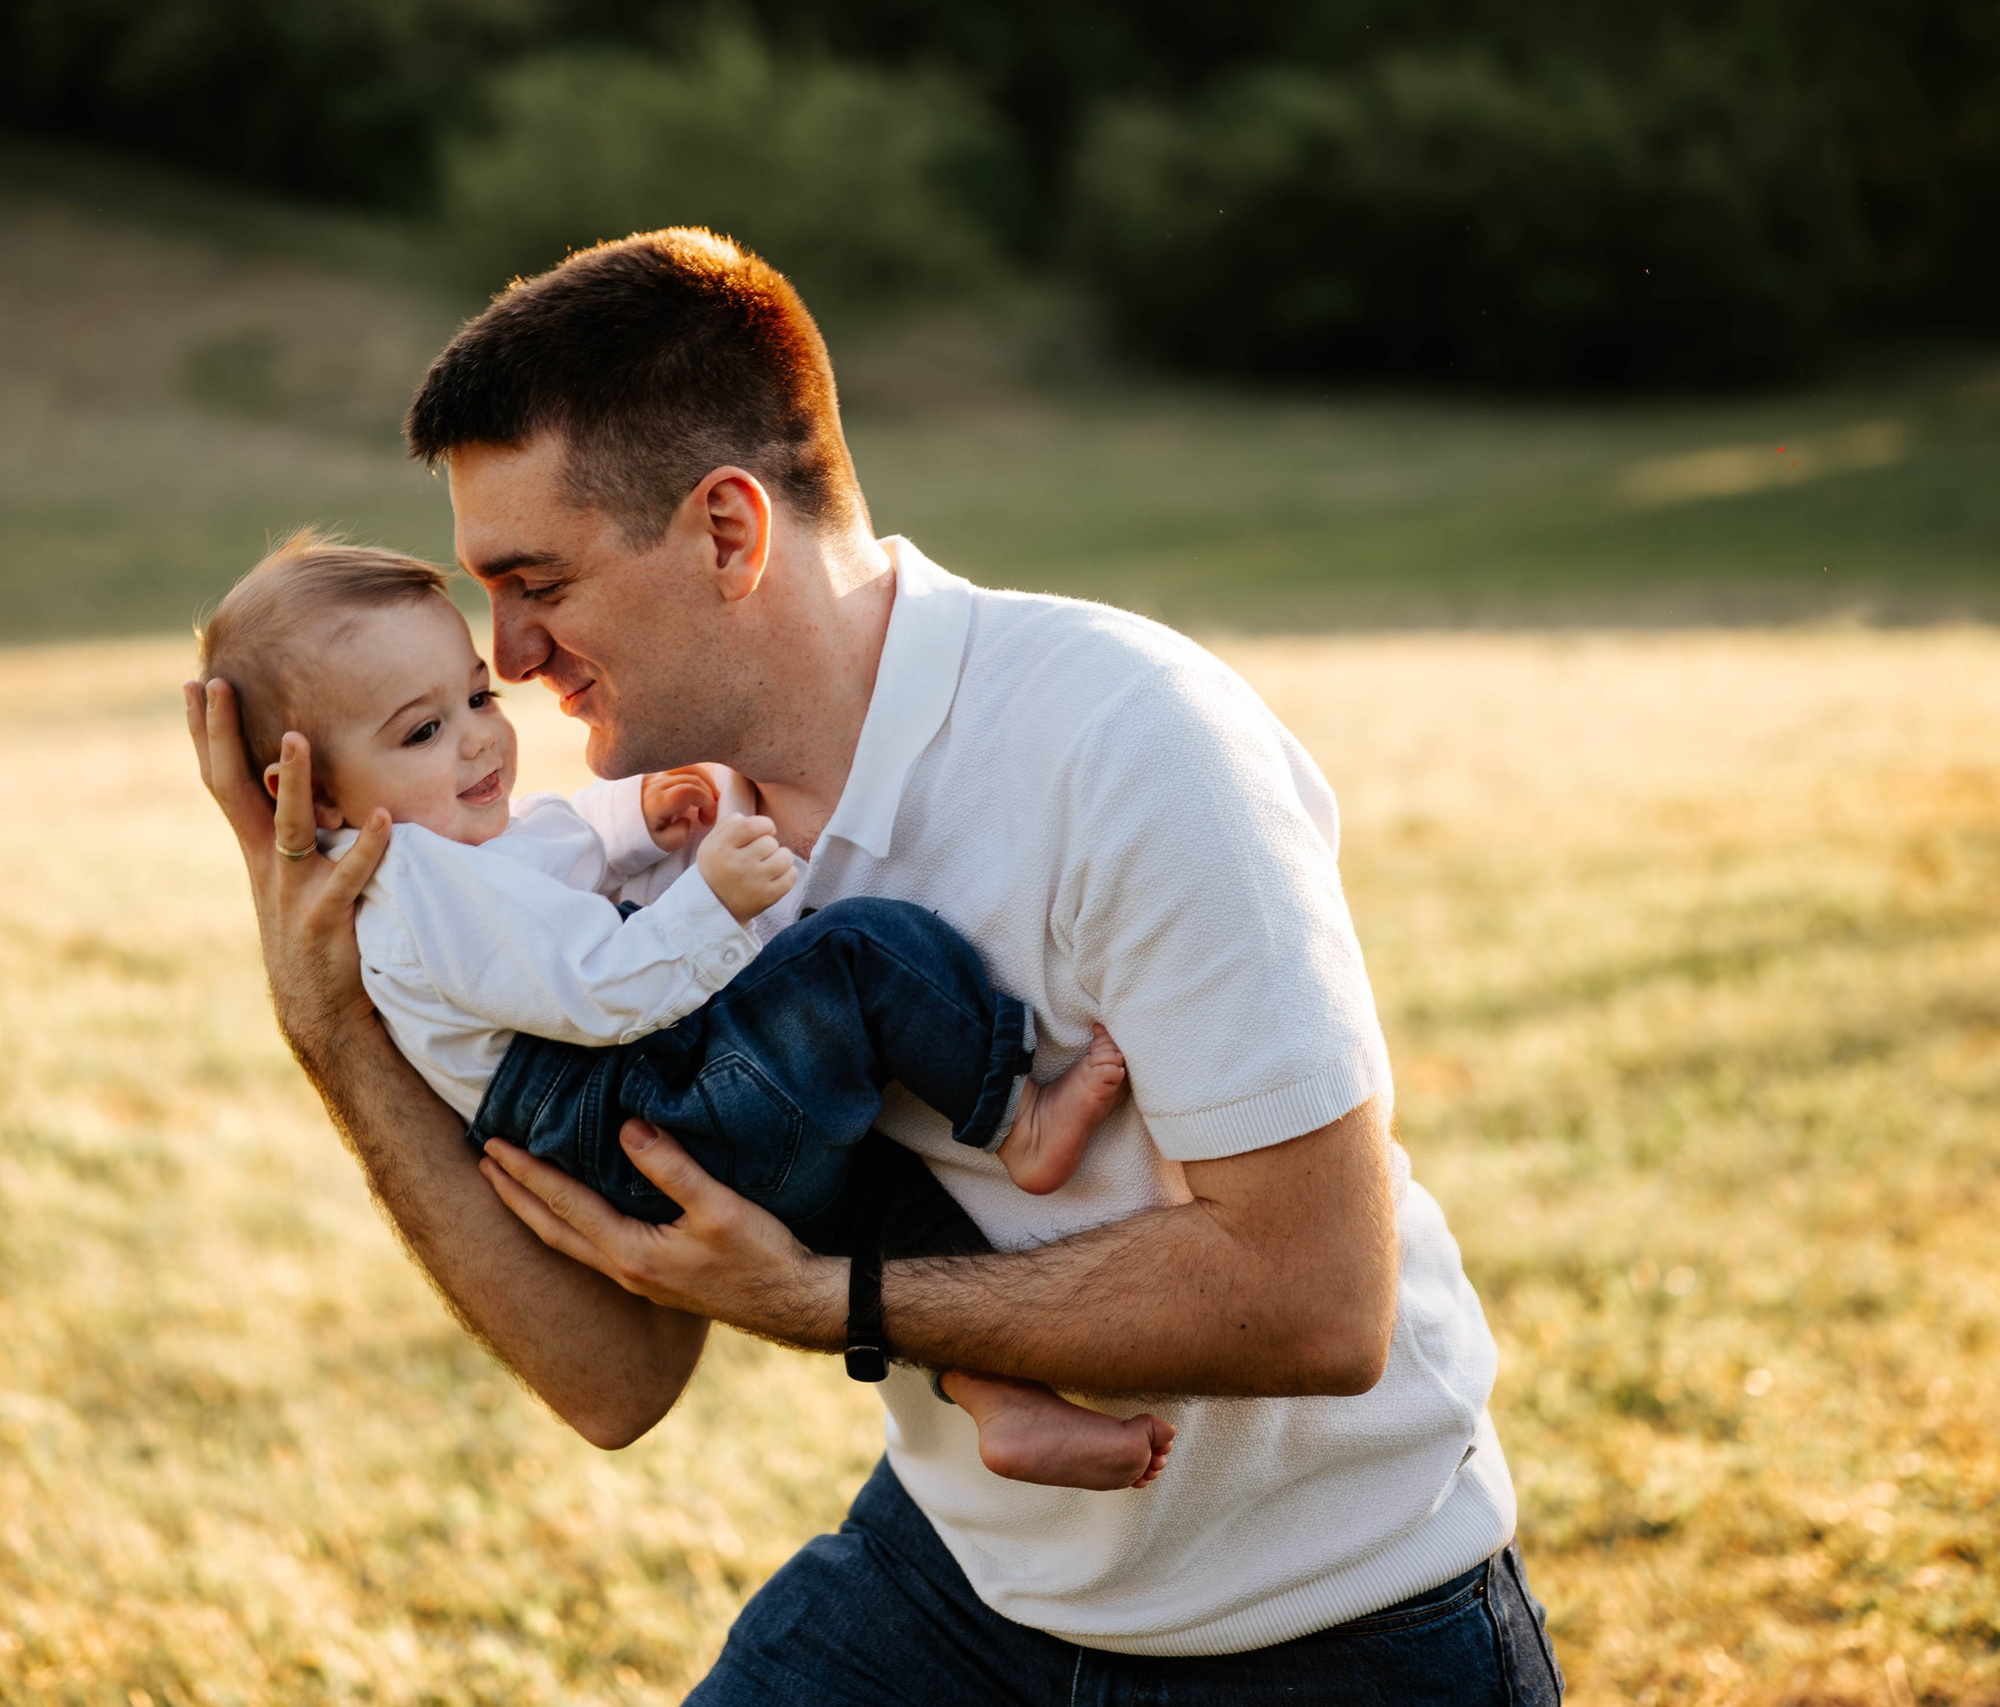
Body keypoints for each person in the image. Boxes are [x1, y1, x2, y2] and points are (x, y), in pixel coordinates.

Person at [187, 228, 1563, 1701]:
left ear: (728, 532)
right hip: (961, 1581)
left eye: (538, 581)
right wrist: (330, 1020)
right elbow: (614, 1379)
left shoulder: (1131, 741)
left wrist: (832, 1295)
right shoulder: (661, 825)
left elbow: (1317, 1297)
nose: (507, 655)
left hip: (1334, 1631)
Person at [194, 532, 1172, 1490]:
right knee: (862, 950)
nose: (480, 735)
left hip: (633, 1132)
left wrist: (638, 817)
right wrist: (713, 897)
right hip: (640, 1096)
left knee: (874, 1201)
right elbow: (594, 987)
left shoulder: (437, 854)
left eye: (476, 696)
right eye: (421, 730)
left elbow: (555, 845)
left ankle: (1003, 1403)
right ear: (310, 795)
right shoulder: (417, 884)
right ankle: (1016, 1116)